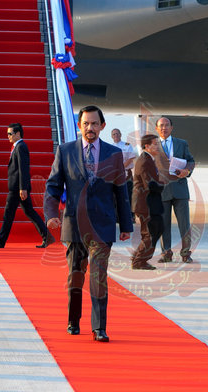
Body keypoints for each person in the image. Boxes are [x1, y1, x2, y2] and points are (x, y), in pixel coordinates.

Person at [44, 105, 133, 342]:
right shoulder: (65, 151)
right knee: (76, 275)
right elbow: (53, 186)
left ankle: (99, 328)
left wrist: (126, 225)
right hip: (74, 224)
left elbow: (120, 191)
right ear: (79, 125)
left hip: (102, 225)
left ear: (102, 126)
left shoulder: (114, 154)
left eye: (94, 123)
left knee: (98, 276)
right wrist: (51, 213)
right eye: (85, 124)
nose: (90, 128)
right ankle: (73, 320)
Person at [0, 123, 54, 249]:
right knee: (29, 212)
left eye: (10, 134)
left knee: (8, 214)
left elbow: (23, 169)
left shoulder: (21, 147)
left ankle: (0, 241)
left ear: (18, 134)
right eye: (7, 134)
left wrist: (23, 188)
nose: (8, 136)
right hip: (18, 187)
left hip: (17, 188)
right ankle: (47, 236)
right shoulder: (17, 147)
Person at [155, 117, 195, 263]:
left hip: (180, 189)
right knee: (163, 225)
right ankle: (166, 253)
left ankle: (186, 253)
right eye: (161, 125)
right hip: (161, 191)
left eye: (167, 125)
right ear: (156, 129)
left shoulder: (181, 144)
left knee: (184, 224)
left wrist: (187, 171)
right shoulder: (152, 146)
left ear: (171, 127)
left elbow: (191, 161)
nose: (164, 128)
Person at [131, 134, 164, 270]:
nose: (158, 146)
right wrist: (163, 185)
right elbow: (150, 184)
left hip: (150, 203)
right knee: (150, 233)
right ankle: (139, 260)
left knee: (156, 229)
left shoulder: (148, 159)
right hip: (146, 204)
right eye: (155, 144)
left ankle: (139, 258)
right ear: (147, 146)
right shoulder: (145, 161)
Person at [111, 128, 136, 220]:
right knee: (116, 195)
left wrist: (121, 167)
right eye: (114, 134)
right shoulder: (110, 147)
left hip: (126, 173)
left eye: (117, 133)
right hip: (115, 175)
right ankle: (117, 216)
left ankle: (131, 216)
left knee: (128, 194)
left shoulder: (127, 145)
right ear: (111, 136)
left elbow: (131, 158)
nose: (116, 135)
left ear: (120, 134)